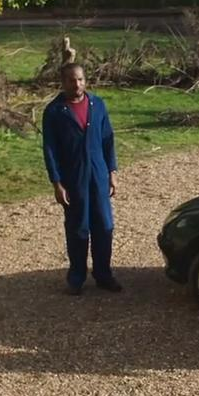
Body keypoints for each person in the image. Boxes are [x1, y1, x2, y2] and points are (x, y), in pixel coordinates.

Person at [42, 63, 124, 294]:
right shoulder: (54, 111)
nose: (76, 84)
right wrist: (57, 183)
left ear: (85, 80)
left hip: (98, 173)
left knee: (104, 226)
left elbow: (108, 140)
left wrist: (112, 173)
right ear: (63, 82)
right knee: (78, 228)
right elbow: (50, 149)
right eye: (71, 80)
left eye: (80, 79)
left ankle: (103, 275)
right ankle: (76, 278)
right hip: (73, 176)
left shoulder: (97, 105)